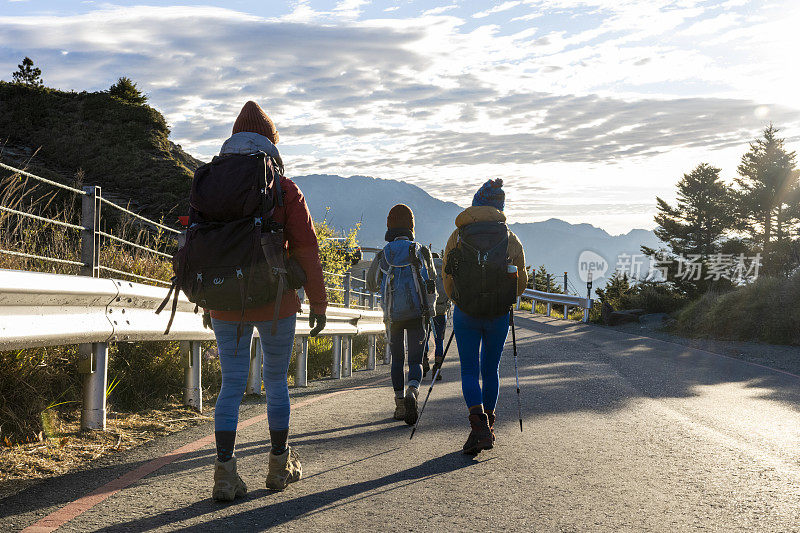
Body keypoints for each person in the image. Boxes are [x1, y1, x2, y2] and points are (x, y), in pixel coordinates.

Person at [206, 101, 328, 499]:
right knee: (275, 380)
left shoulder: (210, 182)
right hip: (276, 301)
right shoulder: (284, 187)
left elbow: (200, 246)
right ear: (271, 142)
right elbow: (307, 249)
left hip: (224, 299)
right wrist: (319, 303)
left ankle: (225, 473)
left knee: (231, 384)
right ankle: (279, 465)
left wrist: (207, 300)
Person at [442, 179, 527, 455]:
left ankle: (478, 427)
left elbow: (447, 275)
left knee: (469, 369)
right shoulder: (510, 238)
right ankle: (487, 427)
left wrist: (458, 298)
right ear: (500, 206)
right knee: (490, 370)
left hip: (466, 313)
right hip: (498, 314)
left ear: (476, 203)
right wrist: (505, 297)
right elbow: (521, 281)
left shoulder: (458, 236)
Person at [367, 204, 437, 425]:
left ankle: (399, 404)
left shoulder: (383, 255)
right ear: (411, 227)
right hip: (418, 314)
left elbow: (370, 283)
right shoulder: (421, 250)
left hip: (392, 317)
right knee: (415, 359)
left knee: (397, 360)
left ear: (389, 226)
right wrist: (432, 309)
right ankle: (413, 391)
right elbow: (431, 281)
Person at [425, 251, 450, 381]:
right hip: (441, 311)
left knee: (425, 337)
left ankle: (424, 360)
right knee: (439, 340)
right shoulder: (444, 270)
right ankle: (437, 368)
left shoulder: (426, 268)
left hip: (427, 309)